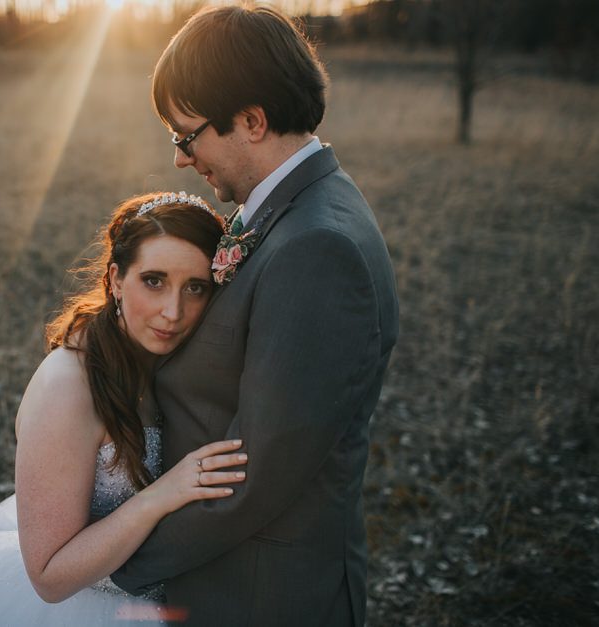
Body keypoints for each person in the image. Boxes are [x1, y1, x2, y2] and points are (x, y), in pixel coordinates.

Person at [109, 6, 400, 626]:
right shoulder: (292, 210)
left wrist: (116, 564)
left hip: (260, 594)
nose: (183, 158)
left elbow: (255, 473)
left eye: (187, 136)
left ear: (251, 120)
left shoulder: (319, 248)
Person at [0, 192, 242, 625]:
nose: (173, 312)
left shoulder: (170, 357)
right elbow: (50, 577)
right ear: (115, 279)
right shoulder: (68, 386)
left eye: (195, 288)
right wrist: (161, 497)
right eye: (153, 280)